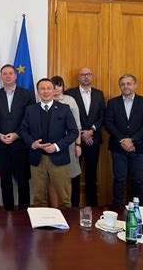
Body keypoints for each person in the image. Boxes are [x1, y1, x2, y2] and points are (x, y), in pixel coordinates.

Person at [19, 78, 78, 208]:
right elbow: (22, 130)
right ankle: (41, 227)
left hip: (59, 159)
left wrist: (56, 147)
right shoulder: (30, 110)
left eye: (48, 88)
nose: (45, 91)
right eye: (42, 88)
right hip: (37, 160)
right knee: (39, 198)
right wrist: (33, 144)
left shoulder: (64, 108)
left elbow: (74, 132)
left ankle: (66, 228)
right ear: (38, 91)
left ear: (54, 90)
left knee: (64, 198)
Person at [0, 64, 36, 210]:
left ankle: (24, 213)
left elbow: (29, 119)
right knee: (5, 180)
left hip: (20, 144)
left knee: (23, 181)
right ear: (1, 77)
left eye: (11, 73)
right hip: (1, 145)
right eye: (5, 74)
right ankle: (7, 211)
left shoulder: (27, 94)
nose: (8, 76)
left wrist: (16, 134)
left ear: (16, 76)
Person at [104, 74, 143, 207]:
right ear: (120, 86)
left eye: (129, 83)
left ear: (135, 85)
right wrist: (122, 140)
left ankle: (138, 210)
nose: (126, 86)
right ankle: (118, 209)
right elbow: (108, 123)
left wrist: (132, 140)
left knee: (137, 180)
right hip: (118, 147)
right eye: (123, 84)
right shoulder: (113, 102)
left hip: (139, 147)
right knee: (119, 179)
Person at [65, 67, 105, 206]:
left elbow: (102, 116)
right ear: (78, 78)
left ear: (92, 76)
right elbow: (68, 116)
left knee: (92, 173)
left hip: (93, 139)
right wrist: (81, 133)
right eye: (82, 75)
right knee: (74, 174)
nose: (86, 77)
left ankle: (92, 205)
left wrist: (91, 130)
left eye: (88, 74)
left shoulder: (99, 94)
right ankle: (74, 205)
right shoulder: (70, 93)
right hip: (75, 140)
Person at [51, 76, 82, 207]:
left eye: (59, 85)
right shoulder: (45, 100)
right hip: (51, 146)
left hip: (69, 144)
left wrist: (78, 144)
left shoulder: (70, 101)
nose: (56, 89)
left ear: (63, 87)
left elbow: (77, 125)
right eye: (54, 86)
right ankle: (54, 208)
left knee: (70, 176)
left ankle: (71, 207)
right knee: (52, 178)